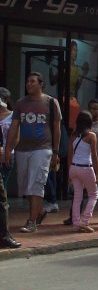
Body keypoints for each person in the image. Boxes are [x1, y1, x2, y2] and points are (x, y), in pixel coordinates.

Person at [4, 72, 61, 233]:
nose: (29, 84)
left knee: (36, 184)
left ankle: (31, 221)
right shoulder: (21, 103)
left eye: (32, 82)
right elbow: (14, 127)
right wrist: (8, 149)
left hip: (43, 149)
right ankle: (40, 211)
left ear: (41, 84)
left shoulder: (51, 102)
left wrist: (55, 151)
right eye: (27, 81)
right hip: (22, 149)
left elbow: (56, 128)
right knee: (25, 186)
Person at [67, 111, 98, 232]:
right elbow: (95, 156)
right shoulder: (91, 136)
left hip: (74, 167)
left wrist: (69, 172)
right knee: (93, 195)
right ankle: (85, 221)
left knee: (77, 197)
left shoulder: (73, 135)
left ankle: (76, 223)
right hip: (86, 167)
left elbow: (70, 155)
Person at [0, 88, 14, 191]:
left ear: (5, 99)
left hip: (7, 153)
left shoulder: (13, 116)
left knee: (2, 186)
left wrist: (7, 152)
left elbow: (16, 137)